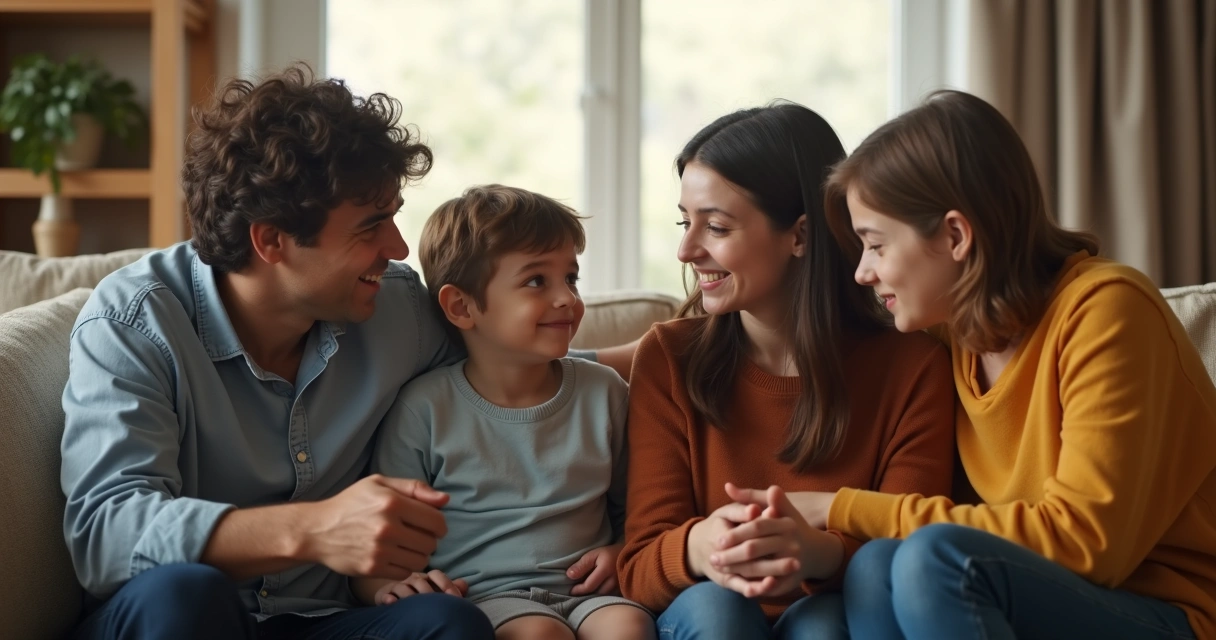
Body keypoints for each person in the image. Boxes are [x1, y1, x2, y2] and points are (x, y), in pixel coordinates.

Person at [60, 66, 503, 640]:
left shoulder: (396, 308)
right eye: (371, 227)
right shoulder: (134, 321)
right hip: (180, 620)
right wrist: (314, 530)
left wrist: (653, 353)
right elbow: (105, 535)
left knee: (449, 623)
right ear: (270, 239)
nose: (396, 248)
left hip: (328, 619)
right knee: (183, 594)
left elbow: (511, 371)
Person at [809, 89, 1216, 639]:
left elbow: (1085, 545)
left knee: (933, 560)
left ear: (955, 235)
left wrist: (840, 508)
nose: (863, 271)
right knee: (874, 569)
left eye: (876, 245)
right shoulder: (953, 333)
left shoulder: (1107, 310)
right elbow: (815, 330)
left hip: (1168, 615)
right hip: (1038, 601)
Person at [616, 102, 957, 640]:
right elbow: (636, 567)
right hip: (710, 614)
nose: (686, 250)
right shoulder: (667, 357)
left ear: (800, 235)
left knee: (824, 623)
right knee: (718, 612)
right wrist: (698, 546)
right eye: (686, 222)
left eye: (717, 227)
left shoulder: (914, 368)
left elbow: (899, 554)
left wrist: (817, 552)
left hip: (835, 612)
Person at [354, 185, 655, 640]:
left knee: (629, 626)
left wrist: (624, 551)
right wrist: (386, 587)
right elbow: (382, 538)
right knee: (538, 636)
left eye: (570, 278)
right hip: (486, 600)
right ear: (462, 307)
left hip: (592, 592)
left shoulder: (605, 392)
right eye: (537, 281)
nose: (565, 299)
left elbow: (637, 508)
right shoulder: (424, 408)